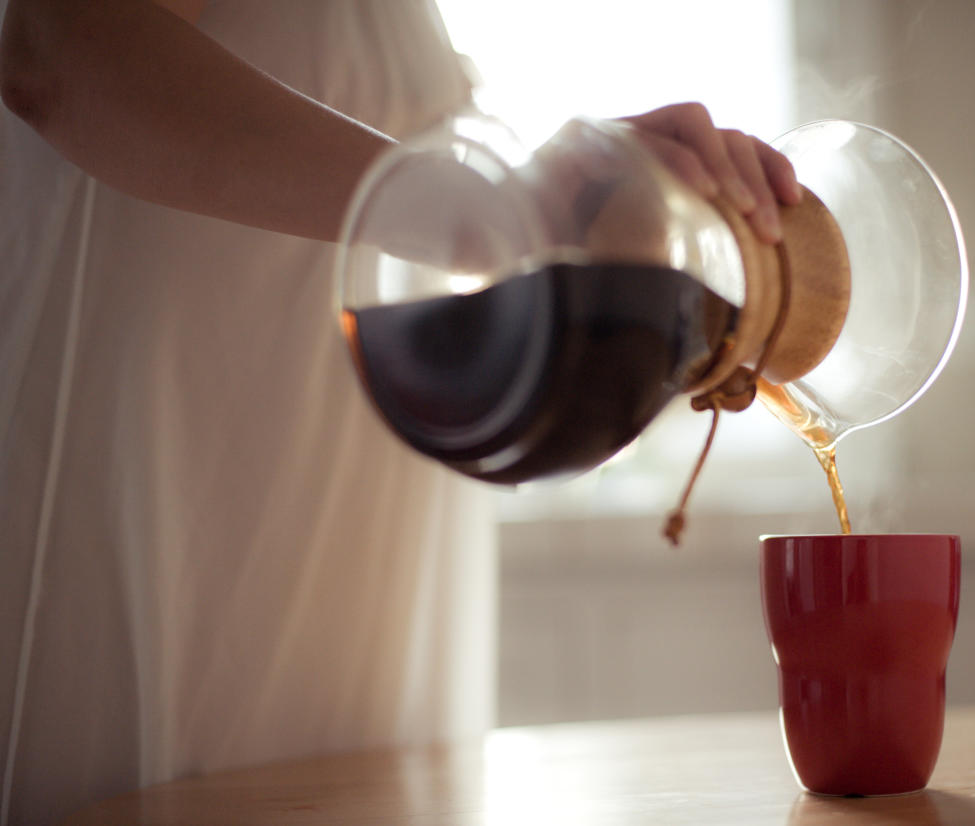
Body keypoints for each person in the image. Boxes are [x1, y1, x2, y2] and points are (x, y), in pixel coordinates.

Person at [0, 1, 800, 823]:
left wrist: (621, 223)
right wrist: (487, 214)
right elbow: (60, 47)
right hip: (168, 619)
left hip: (367, 656)